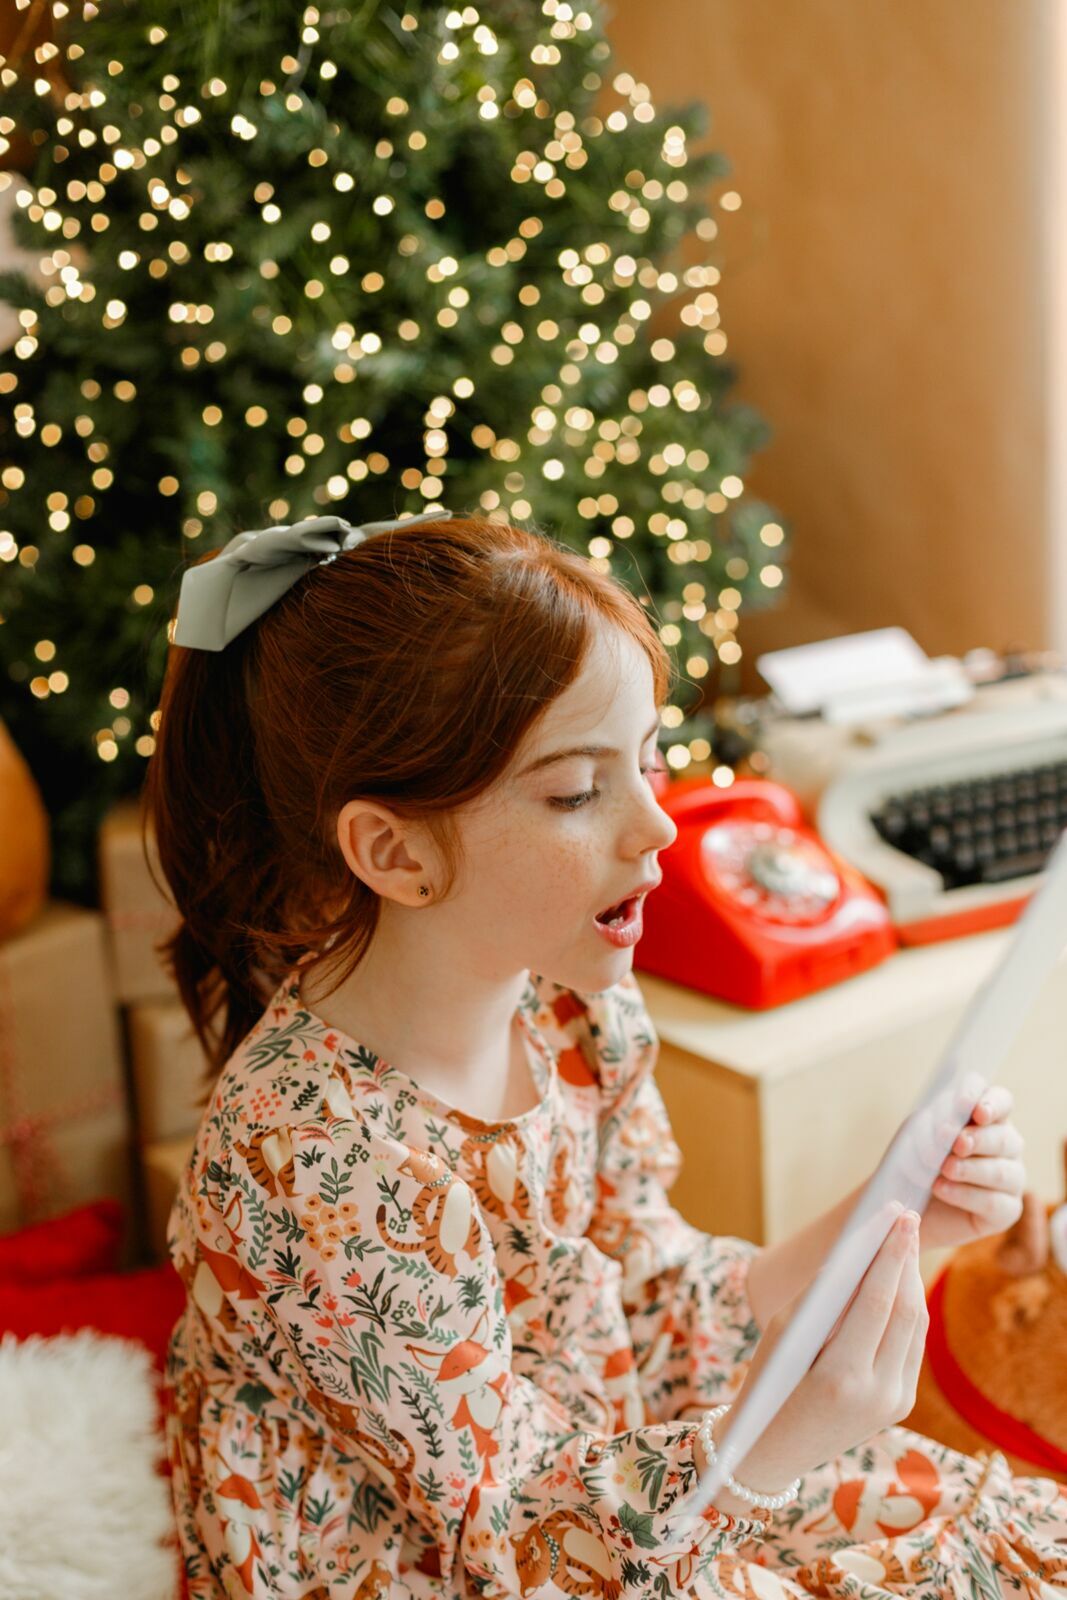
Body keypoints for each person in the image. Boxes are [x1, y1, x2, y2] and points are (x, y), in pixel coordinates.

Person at [149, 509, 1067, 1599]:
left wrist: (896, 1209)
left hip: (624, 1493)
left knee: (1010, 1540)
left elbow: (656, 1298)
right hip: (452, 1564)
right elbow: (506, 1546)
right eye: (577, 792)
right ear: (393, 850)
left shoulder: (574, 1011)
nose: (659, 825)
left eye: (648, 758)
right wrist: (770, 1443)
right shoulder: (314, 1161)